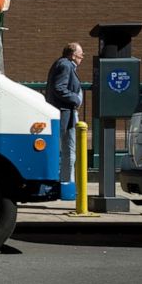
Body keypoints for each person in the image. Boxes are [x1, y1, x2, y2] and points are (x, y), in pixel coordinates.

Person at [46, 42, 84, 188]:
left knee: (66, 149)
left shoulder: (63, 64)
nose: (82, 57)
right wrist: (76, 99)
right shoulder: (65, 65)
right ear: (73, 55)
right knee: (69, 149)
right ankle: (67, 183)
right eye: (81, 54)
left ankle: (65, 181)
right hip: (65, 114)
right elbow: (59, 88)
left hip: (65, 113)